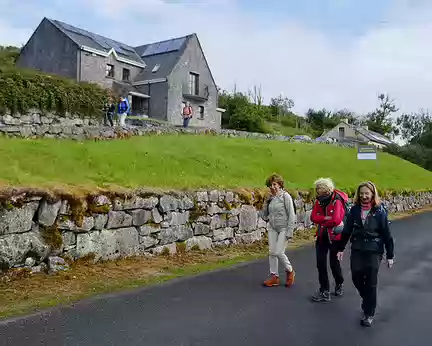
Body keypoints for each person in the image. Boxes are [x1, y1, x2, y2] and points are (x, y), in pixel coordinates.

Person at [337, 181, 394, 327]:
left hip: (374, 249)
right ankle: (367, 299)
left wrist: (390, 256)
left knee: (371, 281)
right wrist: (340, 248)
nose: (364, 196)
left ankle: (369, 313)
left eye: (367, 193)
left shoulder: (380, 211)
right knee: (356, 275)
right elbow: (346, 231)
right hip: (357, 248)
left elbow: (387, 235)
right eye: (361, 193)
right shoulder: (354, 210)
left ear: (372, 194)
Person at [310, 178, 348, 302]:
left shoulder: (337, 201)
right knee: (320, 263)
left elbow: (336, 220)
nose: (316, 192)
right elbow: (313, 217)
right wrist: (326, 218)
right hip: (322, 236)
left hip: (335, 237)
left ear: (326, 190)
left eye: (318, 189)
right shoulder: (319, 201)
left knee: (334, 263)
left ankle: (339, 283)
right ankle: (324, 290)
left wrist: (322, 219)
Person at [261, 174, 296, 288]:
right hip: (272, 227)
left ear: (280, 185)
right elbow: (264, 216)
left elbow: (291, 215)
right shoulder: (271, 198)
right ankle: (274, 277)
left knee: (279, 252)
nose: (272, 187)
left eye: (274, 184)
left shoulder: (285, 196)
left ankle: (290, 270)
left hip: (283, 228)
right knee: (272, 252)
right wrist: (266, 203)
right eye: (270, 185)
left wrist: (290, 231)